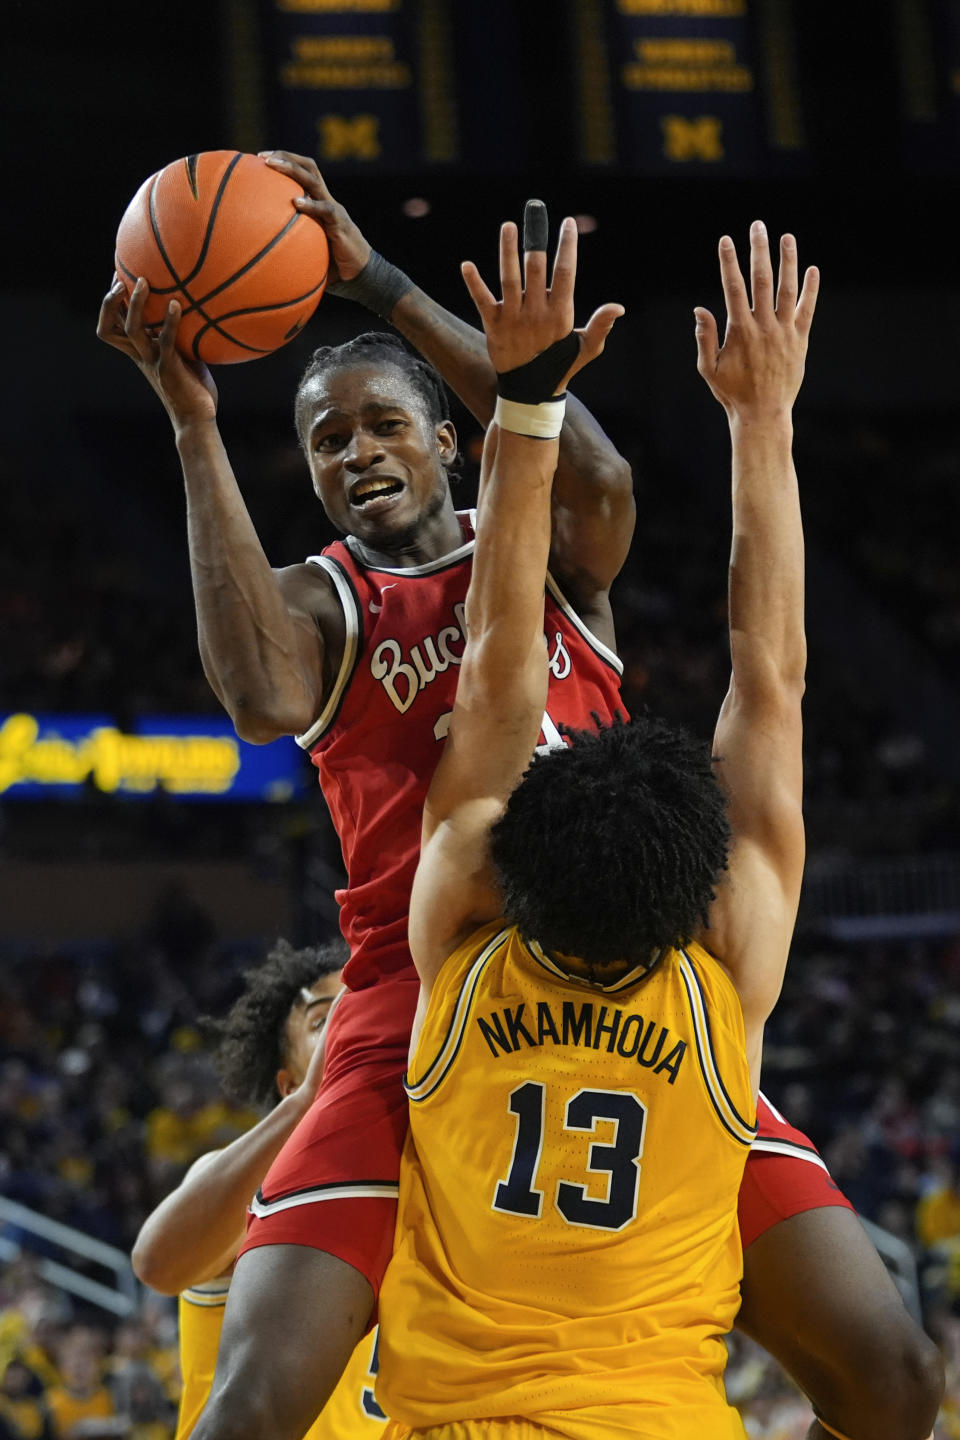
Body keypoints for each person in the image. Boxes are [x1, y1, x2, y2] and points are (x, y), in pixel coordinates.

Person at [97, 168, 942, 1440]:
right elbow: (261, 694)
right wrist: (194, 425)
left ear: (450, 439)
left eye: (382, 423)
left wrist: (380, 276)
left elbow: (591, 485)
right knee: (258, 1398)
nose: (356, 453)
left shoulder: (545, 544)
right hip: (421, 976)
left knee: (891, 1379)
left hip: (628, 953)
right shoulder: (327, 602)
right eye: (326, 441)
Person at [131, 938, 386, 1440]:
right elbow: (158, 1264)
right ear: (288, 1083)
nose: (349, 1024)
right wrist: (312, 1101)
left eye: (361, 1007)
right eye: (323, 1021)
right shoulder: (256, 1182)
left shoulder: (429, 1179)